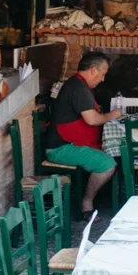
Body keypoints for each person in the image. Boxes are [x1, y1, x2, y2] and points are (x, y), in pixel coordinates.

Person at [45, 53, 124, 218]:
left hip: (70, 143)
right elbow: (92, 120)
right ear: (94, 70)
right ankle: (86, 203)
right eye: (103, 74)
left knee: (110, 153)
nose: (102, 79)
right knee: (107, 164)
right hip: (61, 148)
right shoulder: (79, 88)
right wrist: (114, 114)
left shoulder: (78, 84)